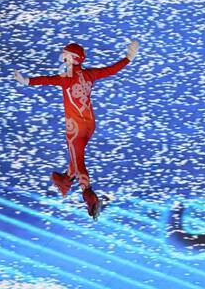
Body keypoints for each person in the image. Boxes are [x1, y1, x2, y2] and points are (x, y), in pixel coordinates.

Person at [14, 39, 139, 219]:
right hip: (89, 125)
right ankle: (65, 180)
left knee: (78, 161)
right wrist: (128, 58)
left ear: (72, 58)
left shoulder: (66, 78)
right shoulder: (89, 75)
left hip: (75, 128)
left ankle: (90, 197)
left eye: (65, 54)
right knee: (75, 157)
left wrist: (26, 81)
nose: (63, 57)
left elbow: (47, 80)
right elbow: (110, 70)